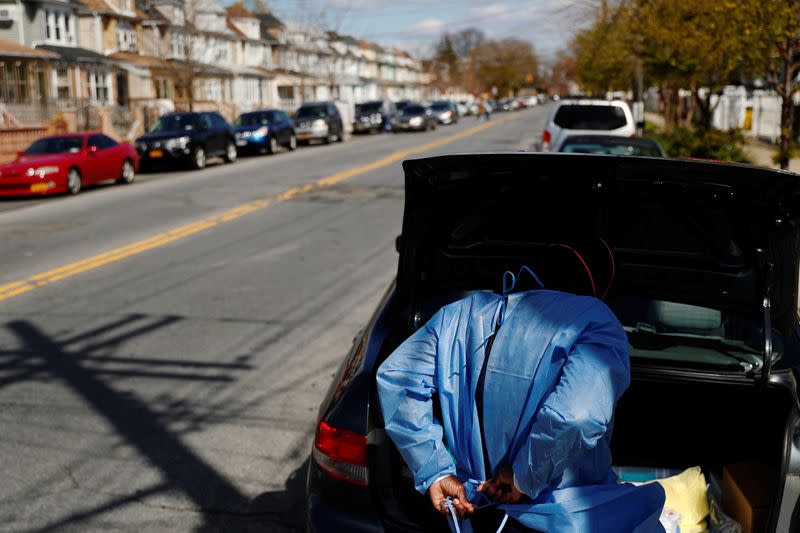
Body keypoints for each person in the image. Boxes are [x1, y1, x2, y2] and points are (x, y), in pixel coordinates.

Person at [376, 267, 666, 532]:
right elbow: (578, 415)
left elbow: (397, 377)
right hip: (563, 518)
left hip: (472, 516)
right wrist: (524, 477)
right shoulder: (595, 320)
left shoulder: (457, 316)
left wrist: (435, 471)